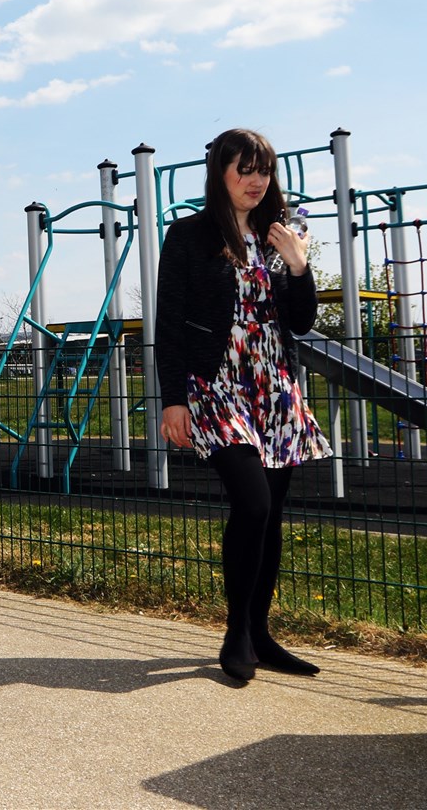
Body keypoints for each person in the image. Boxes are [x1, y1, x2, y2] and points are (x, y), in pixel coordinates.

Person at [156, 128, 331, 684]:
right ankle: (236, 632)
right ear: (221, 174)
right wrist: (173, 400)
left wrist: (300, 267)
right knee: (252, 504)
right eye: (245, 170)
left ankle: (260, 632)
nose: (257, 181)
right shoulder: (188, 236)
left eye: (264, 171)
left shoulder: (282, 234)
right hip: (216, 386)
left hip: (273, 388)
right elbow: (170, 322)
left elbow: (301, 322)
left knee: (271, 514)